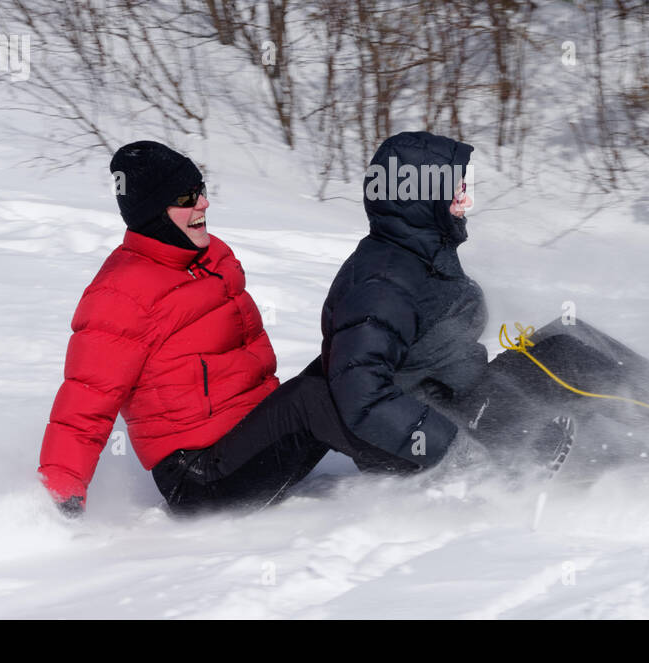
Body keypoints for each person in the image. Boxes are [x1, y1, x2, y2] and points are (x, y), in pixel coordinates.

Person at [37, 140, 412, 517]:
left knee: (346, 360)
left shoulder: (211, 255)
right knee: (313, 400)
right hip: (199, 476)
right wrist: (61, 491)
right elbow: (87, 396)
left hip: (248, 436)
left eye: (200, 190)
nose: (202, 203)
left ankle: (433, 422)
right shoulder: (120, 294)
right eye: (186, 197)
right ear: (154, 212)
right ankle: (421, 469)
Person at [320, 130, 573, 472]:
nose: (464, 198)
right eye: (455, 186)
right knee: (572, 360)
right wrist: (455, 451)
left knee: (564, 346)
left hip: (466, 401)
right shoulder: (382, 280)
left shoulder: (419, 257)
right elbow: (362, 392)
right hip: (434, 433)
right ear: (419, 195)